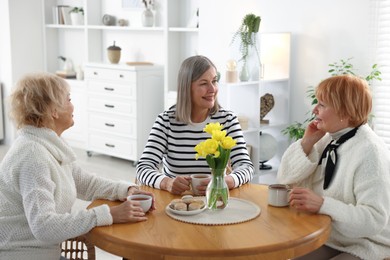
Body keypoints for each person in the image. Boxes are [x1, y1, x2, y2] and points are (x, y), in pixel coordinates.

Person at [0, 73, 155, 260]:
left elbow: (85, 183)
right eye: (69, 99)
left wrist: (126, 189)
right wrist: (108, 214)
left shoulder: (47, 143)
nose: (73, 106)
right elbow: (43, 226)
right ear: (53, 111)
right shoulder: (33, 156)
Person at [277, 75, 390, 260]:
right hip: (330, 236)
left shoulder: (371, 152)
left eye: (322, 104)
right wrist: (307, 143)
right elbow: (284, 181)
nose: (314, 109)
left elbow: (374, 219)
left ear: (345, 112)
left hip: (368, 242)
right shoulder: (329, 138)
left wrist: (323, 204)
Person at [136, 55, 254, 195]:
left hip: (215, 202)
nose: (212, 89)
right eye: (204, 83)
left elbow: (246, 166)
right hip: (176, 204)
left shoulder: (227, 120)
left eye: (214, 81)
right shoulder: (166, 122)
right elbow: (143, 168)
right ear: (187, 88)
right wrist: (167, 183)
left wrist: (226, 181)